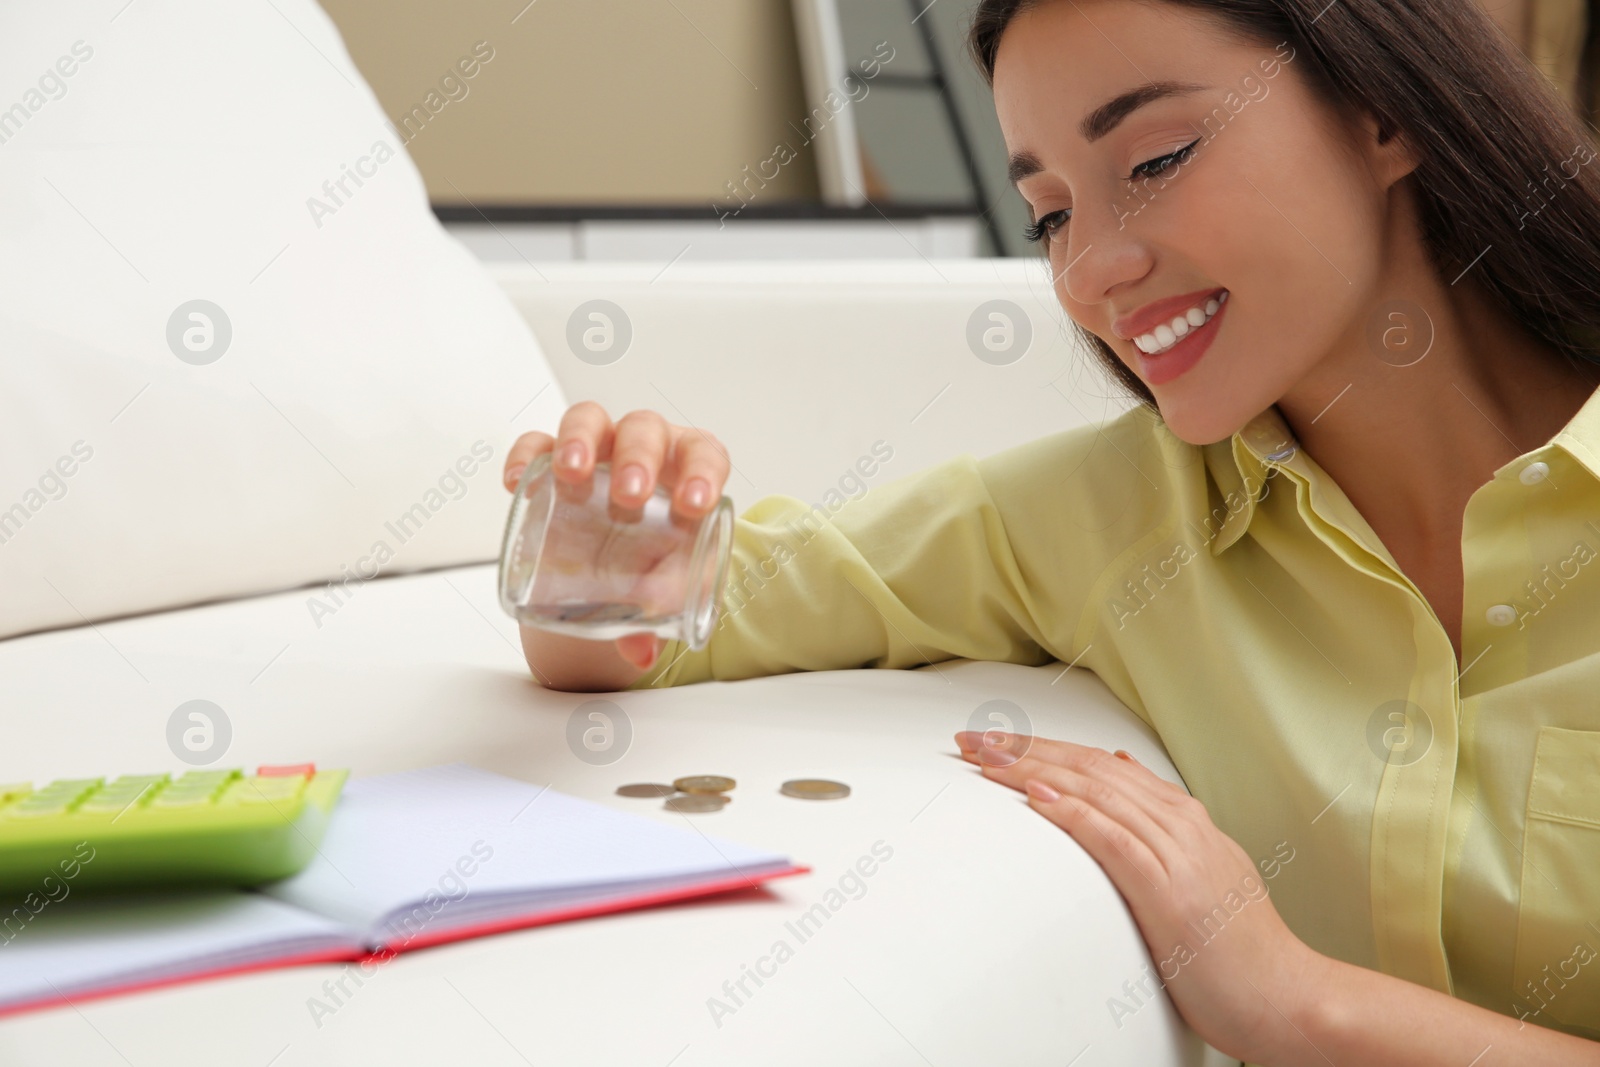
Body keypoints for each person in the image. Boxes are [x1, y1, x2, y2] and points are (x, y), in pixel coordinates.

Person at [503, 0, 1600, 1061]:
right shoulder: (1107, 523)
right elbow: (665, 629)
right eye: (1051, 213)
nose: (1088, 272)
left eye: (1156, 160)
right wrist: (602, 533)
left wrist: (1298, 1004)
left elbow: (1289, 1002)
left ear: (1381, 113)